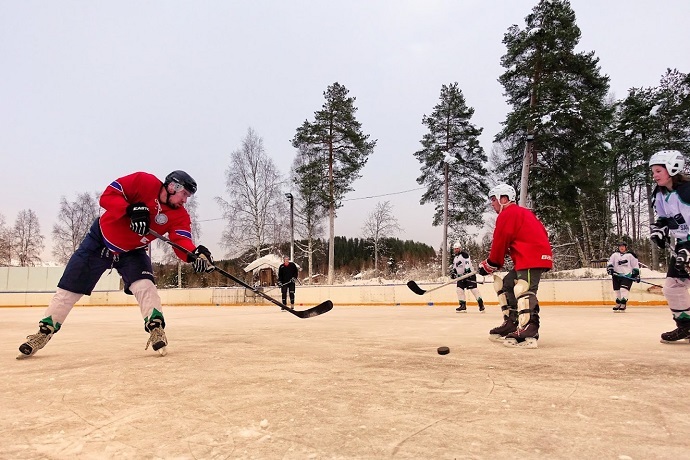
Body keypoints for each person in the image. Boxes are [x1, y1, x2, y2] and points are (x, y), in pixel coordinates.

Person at [16, 170, 214, 359]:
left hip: (132, 251)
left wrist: (194, 254)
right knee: (68, 290)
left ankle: (156, 329)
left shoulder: (180, 215)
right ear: (172, 186)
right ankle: (44, 332)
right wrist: (130, 209)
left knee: (146, 286)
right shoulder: (143, 181)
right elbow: (108, 196)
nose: (185, 200)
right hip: (98, 242)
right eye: (184, 194)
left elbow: (181, 241)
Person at [477, 183, 553, 348]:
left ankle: (530, 328)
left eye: (493, 199)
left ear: (503, 199)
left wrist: (491, 263)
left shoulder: (508, 214)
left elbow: (500, 240)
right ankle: (512, 322)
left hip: (530, 256)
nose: (492, 203)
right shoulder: (523, 213)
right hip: (531, 255)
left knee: (524, 289)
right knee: (508, 284)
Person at [648, 149, 690, 343]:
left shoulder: (687, 191)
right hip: (683, 244)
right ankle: (686, 327)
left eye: (658, 171)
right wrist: (659, 229)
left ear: (672, 168)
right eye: (653, 172)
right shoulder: (661, 193)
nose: (654, 176)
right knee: (673, 287)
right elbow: (663, 218)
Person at [449, 241, 485, 313]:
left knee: (474, 290)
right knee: (459, 290)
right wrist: (453, 272)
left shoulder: (464, 255)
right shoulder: (455, 258)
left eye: (457, 248)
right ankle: (463, 306)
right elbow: (455, 267)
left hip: (469, 275)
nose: (456, 250)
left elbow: (467, 263)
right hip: (461, 277)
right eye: (455, 249)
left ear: (460, 248)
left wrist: (467, 271)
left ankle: (481, 305)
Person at [606, 242, 640, 312]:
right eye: (620, 246)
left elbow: (635, 265)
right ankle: (618, 303)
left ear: (625, 247)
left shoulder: (630, 255)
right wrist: (610, 269)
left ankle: (623, 304)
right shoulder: (615, 255)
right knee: (617, 290)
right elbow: (610, 263)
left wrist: (636, 275)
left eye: (623, 246)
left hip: (627, 275)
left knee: (623, 289)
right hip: (616, 275)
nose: (621, 248)